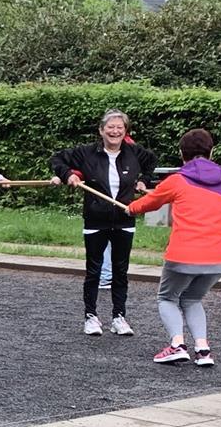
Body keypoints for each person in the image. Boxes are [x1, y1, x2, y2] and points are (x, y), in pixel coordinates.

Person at [128, 129, 221, 366]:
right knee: (193, 299)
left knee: (167, 297)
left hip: (185, 253)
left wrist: (131, 208)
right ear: (211, 152)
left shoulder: (176, 180)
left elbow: (150, 203)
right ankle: (203, 350)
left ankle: (177, 345)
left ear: (181, 153)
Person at [50, 111, 156, 338]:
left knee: (120, 270)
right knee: (94, 270)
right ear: (101, 130)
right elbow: (57, 159)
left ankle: (119, 317)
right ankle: (90, 316)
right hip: (96, 218)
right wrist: (68, 174)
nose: (115, 131)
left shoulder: (135, 153)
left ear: (125, 131)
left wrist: (143, 181)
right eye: (110, 127)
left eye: (120, 128)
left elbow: (151, 163)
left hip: (124, 219)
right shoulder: (86, 153)